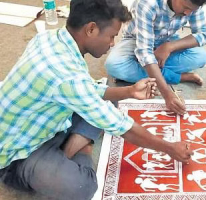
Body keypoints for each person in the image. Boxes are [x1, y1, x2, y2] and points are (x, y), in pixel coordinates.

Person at [0, 0, 192, 199]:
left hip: (46, 117)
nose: (111, 44)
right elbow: (120, 126)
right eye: (111, 36)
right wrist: (169, 148)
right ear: (91, 29)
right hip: (19, 152)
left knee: (108, 97)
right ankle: (81, 146)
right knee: (83, 187)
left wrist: (129, 91)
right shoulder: (65, 76)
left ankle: (70, 144)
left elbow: (85, 88)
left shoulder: (51, 38)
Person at [105, 0, 206, 115]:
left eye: (192, 10)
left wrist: (170, 46)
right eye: (185, 7)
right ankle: (177, 76)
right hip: (135, 40)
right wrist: (167, 94)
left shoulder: (193, 5)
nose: (187, 13)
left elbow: (203, 35)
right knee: (114, 65)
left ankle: (144, 70)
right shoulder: (147, 3)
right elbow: (144, 51)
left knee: (201, 56)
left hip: (167, 40)